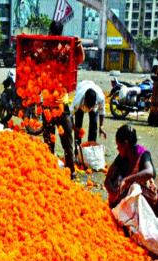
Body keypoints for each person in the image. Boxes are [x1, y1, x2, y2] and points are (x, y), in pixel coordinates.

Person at [42, 21, 84, 179]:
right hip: (60, 104)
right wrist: (78, 46)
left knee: (49, 141)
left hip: (50, 104)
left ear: (50, 31)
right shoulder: (65, 48)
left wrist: (77, 45)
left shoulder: (47, 48)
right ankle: (70, 171)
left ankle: (50, 170)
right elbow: (80, 59)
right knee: (66, 141)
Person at [104, 124, 158, 217]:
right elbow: (108, 179)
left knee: (133, 186)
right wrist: (112, 191)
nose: (117, 148)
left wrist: (127, 179)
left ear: (125, 143)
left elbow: (149, 172)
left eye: (118, 145)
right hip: (134, 201)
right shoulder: (122, 157)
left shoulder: (142, 154)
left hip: (153, 202)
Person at [71, 80, 107, 148]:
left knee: (94, 124)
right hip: (82, 87)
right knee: (78, 125)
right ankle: (77, 150)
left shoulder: (100, 98)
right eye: (87, 106)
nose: (87, 110)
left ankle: (90, 148)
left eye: (90, 107)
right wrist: (75, 128)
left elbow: (102, 111)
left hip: (93, 91)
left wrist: (101, 126)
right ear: (84, 100)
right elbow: (70, 115)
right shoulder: (78, 100)